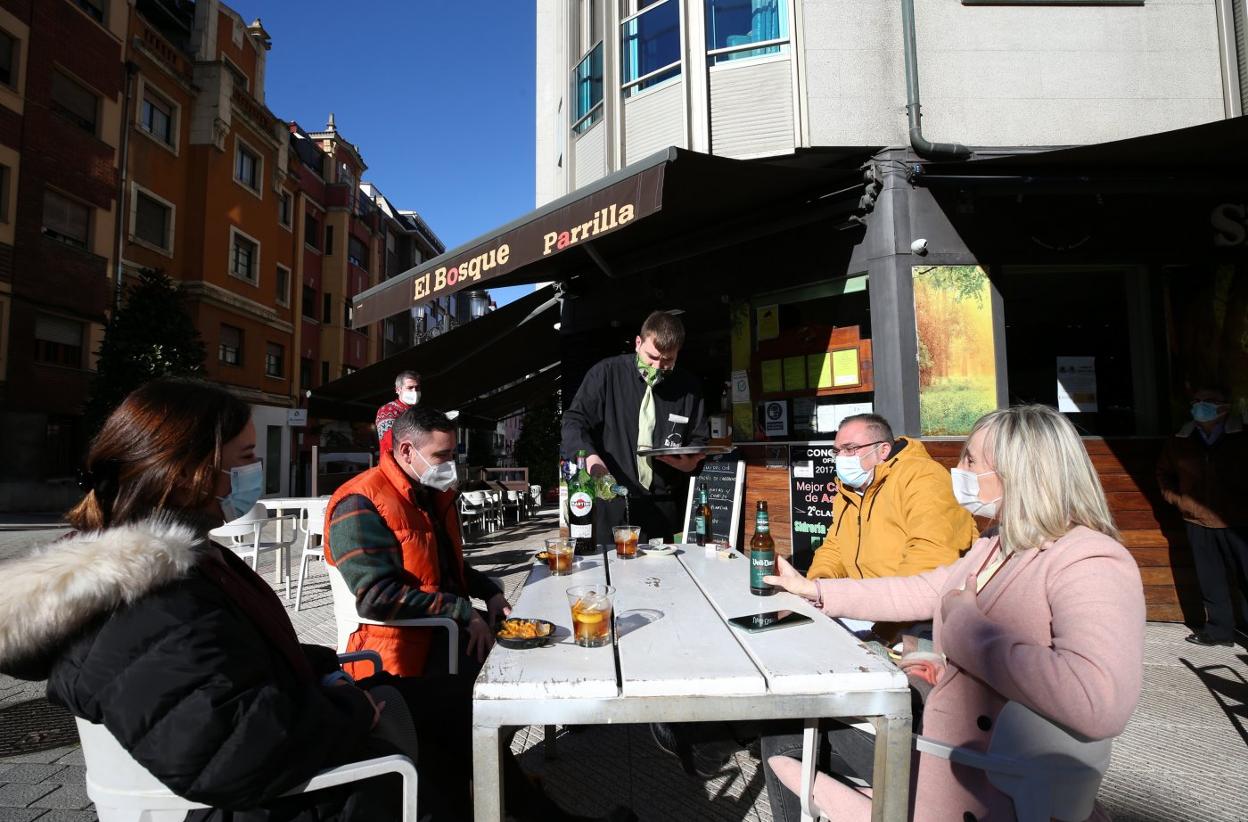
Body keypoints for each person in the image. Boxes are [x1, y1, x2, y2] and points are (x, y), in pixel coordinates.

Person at [761, 404, 1146, 822]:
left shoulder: (1090, 558)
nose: (957, 470)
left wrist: (965, 630)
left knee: (784, 736)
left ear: (1020, 471)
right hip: (954, 751)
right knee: (786, 725)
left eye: (970, 460)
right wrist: (814, 589)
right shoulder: (999, 541)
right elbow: (924, 589)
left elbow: (1098, 702)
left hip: (988, 780)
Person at [325, 405, 510, 679]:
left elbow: (439, 567)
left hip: (441, 629)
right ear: (407, 451)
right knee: (506, 676)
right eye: (441, 456)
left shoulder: (428, 493)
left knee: (522, 647)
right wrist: (463, 611)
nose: (450, 465)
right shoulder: (360, 503)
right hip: (398, 653)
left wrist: (489, 592)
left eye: (452, 455)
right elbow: (377, 598)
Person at [562, 310, 708, 542]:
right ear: (638, 343)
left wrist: (690, 464)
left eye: (668, 360)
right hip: (610, 502)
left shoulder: (689, 387)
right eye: (652, 357)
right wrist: (591, 459)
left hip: (662, 508)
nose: (658, 366)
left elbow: (700, 441)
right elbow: (573, 422)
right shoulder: (606, 374)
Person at [806, 413, 977, 584]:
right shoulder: (847, 492)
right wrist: (819, 583)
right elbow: (835, 547)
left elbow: (932, 552)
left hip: (914, 602)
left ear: (883, 450)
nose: (841, 457)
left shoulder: (922, 476)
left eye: (850, 449)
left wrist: (888, 603)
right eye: (837, 451)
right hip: (863, 602)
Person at [1157, 385, 1248, 647]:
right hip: (1197, 521)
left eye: (1209, 400)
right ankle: (1219, 631)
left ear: (1225, 407)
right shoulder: (1181, 439)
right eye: (1196, 401)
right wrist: (1179, 500)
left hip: (1240, 521)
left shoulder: (1242, 436)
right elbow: (1164, 473)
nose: (1200, 406)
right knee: (1211, 579)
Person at [376, 370, 421, 453]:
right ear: (398, 390)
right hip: (393, 462)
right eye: (410, 388)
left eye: (417, 388)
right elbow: (391, 442)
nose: (414, 392)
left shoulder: (417, 411)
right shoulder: (387, 410)